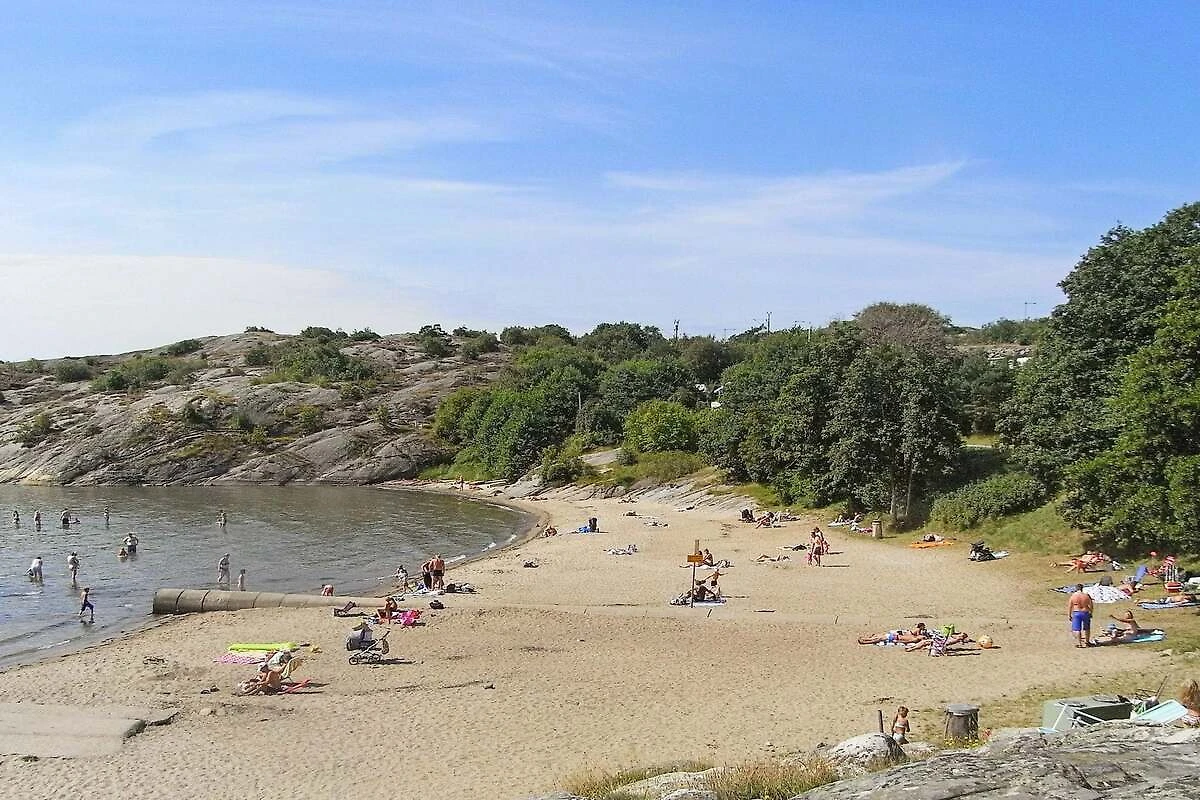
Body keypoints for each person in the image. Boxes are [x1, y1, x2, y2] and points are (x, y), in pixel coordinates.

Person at [1068, 583, 1094, 648]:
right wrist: (1091, 612)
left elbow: (1070, 606)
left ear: (1076, 588)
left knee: (1077, 629)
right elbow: (1091, 605)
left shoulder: (1073, 596)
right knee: (1087, 628)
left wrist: (1069, 615)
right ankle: (1087, 642)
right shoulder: (1086, 595)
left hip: (1076, 612)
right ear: (1082, 588)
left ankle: (1079, 643)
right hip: (1085, 612)